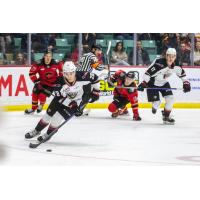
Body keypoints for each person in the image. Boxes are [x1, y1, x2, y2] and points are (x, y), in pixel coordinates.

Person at [25, 61, 99, 142]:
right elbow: (60, 97)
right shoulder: (59, 82)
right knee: (48, 114)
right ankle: (37, 130)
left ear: (75, 71)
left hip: (78, 101)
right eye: (67, 74)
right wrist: (71, 104)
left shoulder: (84, 75)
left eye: (71, 73)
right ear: (63, 73)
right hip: (62, 98)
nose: (69, 76)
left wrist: (96, 92)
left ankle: (48, 134)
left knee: (57, 117)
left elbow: (96, 78)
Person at [137, 48, 191, 124]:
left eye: (173, 56)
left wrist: (186, 83)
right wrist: (144, 83)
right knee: (157, 103)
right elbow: (147, 74)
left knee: (170, 99)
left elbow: (182, 75)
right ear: (166, 56)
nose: (171, 58)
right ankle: (155, 105)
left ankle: (166, 116)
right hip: (152, 83)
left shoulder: (177, 65)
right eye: (169, 56)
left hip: (164, 83)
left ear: (175, 57)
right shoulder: (159, 63)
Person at [24, 50, 63, 114]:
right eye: (46, 56)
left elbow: (62, 71)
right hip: (41, 82)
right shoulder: (38, 63)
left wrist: (59, 80)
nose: (48, 58)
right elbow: (32, 73)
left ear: (52, 57)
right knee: (35, 93)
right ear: (44, 56)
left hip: (52, 84)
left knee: (42, 95)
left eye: (50, 56)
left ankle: (41, 105)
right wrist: (36, 81)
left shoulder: (56, 63)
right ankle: (33, 109)